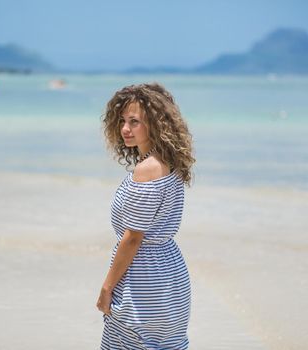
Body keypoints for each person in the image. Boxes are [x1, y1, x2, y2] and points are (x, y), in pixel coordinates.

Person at [96, 82, 195, 349]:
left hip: (144, 279)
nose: (125, 129)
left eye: (135, 122)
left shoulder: (147, 169)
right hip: (170, 275)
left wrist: (107, 289)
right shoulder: (170, 161)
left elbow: (133, 238)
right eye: (122, 121)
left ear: (155, 123)